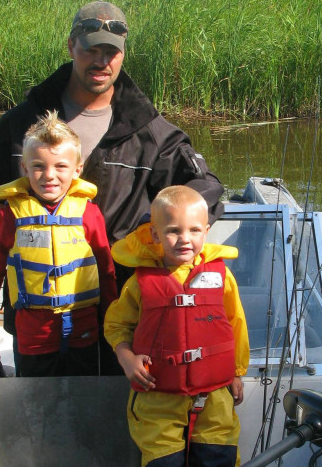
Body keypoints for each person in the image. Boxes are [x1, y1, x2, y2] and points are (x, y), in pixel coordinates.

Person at [0, 0, 225, 375]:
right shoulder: (25, 123)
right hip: (39, 322)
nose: (101, 62)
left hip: (128, 310)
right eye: (90, 50)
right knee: (45, 419)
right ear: (71, 47)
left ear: (123, 55)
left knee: (120, 419)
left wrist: (169, 223)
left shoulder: (150, 130)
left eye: (111, 52)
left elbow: (206, 186)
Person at [104, 185, 249, 467]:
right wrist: (126, 357)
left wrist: (237, 372)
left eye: (194, 230)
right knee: (163, 462)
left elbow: (236, 323)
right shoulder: (139, 283)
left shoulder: (223, 277)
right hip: (158, 397)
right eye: (173, 231)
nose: (185, 239)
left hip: (214, 397)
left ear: (207, 231)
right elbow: (116, 325)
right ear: (155, 234)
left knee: (217, 457)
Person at [0, 112, 118, 376]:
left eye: (60, 166)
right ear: (24, 168)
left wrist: (116, 329)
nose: (49, 176)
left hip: (84, 332)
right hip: (32, 337)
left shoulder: (88, 213)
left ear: (77, 169)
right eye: (38, 166)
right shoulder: (10, 214)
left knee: (83, 399)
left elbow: (106, 273)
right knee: (36, 405)